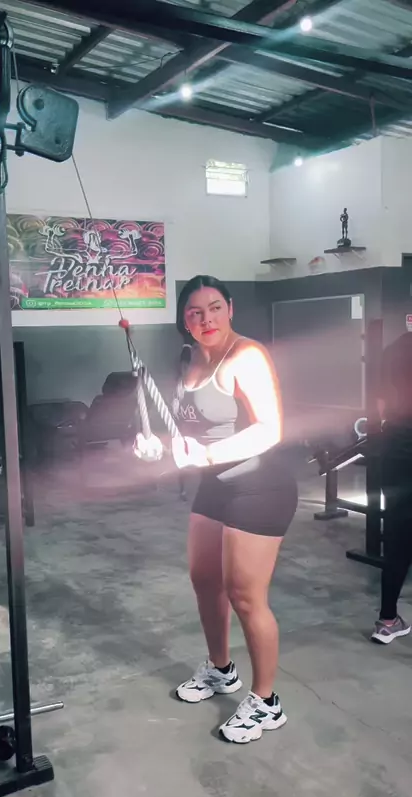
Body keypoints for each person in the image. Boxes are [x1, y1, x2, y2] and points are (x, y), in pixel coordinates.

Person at [135, 275, 298, 743]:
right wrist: (155, 443)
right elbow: (185, 429)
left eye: (214, 308)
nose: (205, 319)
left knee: (246, 596)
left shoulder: (246, 356)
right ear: (184, 322)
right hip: (215, 486)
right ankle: (221, 670)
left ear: (230, 309)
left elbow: (270, 429)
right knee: (205, 581)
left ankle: (266, 702)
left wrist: (204, 455)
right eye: (194, 312)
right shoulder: (188, 360)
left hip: (259, 487)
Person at [371, 332, 412, 644]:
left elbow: (381, 405)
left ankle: (387, 620)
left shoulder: (393, 348)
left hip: (396, 451)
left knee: (397, 540)